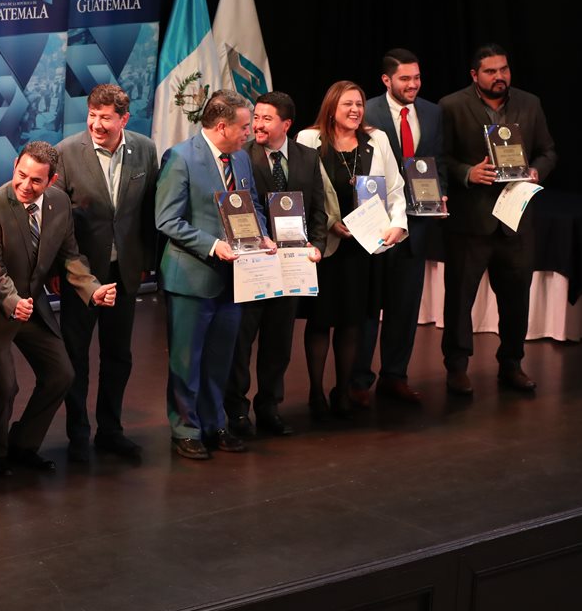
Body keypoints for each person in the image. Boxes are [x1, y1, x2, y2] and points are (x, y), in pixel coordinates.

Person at [0, 141, 117, 476]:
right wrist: (11, 300)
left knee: (61, 375)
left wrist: (92, 289)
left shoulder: (59, 202)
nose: (25, 185)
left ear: (51, 181)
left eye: (36, 180)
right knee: (6, 386)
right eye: (21, 175)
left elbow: (70, 256)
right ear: (15, 167)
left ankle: (23, 444)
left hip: (34, 308)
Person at [156, 89, 272, 460]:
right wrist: (212, 245)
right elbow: (167, 220)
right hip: (192, 278)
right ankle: (185, 429)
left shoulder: (239, 160)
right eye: (244, 126)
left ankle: (214, 423)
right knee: (186, 360)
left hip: (234, 278)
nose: (250, 132)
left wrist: (263, 234)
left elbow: (249, 204)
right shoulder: (181, 158)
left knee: (221, 358)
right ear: (221, 125)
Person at [439, 44, 557, 395]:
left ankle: (511, 364)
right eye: (491, 71)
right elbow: (438, 158)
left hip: (516, 220)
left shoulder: (529, 103)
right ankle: (457, 368)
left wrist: (537, 170)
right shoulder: (452, 106)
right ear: (474, 76)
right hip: (470, 222)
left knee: (516, 298)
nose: (500, 77)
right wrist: (466, 172)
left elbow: (549, 150)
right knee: (460, 299)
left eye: (504, 69)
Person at [53, 84, 157, 463]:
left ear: (124, 119)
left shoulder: (144, 149)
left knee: (118, 355)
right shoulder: (66, 152)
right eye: (92, 116)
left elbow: (148, 210)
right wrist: (57, 268)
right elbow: (57, 219)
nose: (97, 124)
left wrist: (147, 258)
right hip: (81, 274)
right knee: (76, 357)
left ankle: (110, 430)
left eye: (106, 117)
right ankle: (78, 433)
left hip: (124, 271)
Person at [296, 81, 408, 419]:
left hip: (363, 247)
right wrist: (329, 223)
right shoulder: (308, 140)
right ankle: (316, 393)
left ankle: (343, 391)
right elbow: (301, 193)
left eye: (359, 104)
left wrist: (397, 224)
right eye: (347, 104)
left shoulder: (377, 140)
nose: (355, 110)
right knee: (319, 323)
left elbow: (397, 188)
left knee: (352, 323)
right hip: (324, 246)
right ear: (332, 107)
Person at [225, 91, 326, 438]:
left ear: (287, 124)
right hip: (253, 265)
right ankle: (236, 411)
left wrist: (318, 247)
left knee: (278, 343)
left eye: (267, 119)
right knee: (241, 343)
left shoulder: (308, 158)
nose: (257, 124)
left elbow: (318, 211)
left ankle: (269, 407)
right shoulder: (240, 157)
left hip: (291, 267)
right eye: (255, 117)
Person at [351, 49, 445, 405]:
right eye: (405, 79)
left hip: (417, 226)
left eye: (417, 78)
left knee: (405, 307)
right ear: (386, 80)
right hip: (376, 224)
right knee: (367, 308)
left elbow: (439, 162)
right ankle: (358, 380)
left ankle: (394, 376)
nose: (413, 85)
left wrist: (442, 194)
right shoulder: (366, 112)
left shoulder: (433, 112)